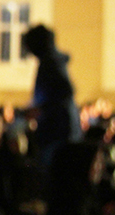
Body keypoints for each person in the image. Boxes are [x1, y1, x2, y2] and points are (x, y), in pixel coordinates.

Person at [23, 24, 82, 171]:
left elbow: (66, 91)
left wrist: (41, 109)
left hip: (57, 136)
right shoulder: (52, 62)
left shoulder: (50, 63)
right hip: (60, 133)